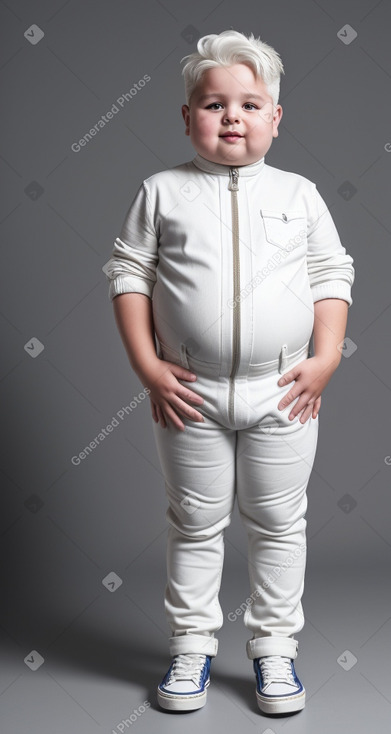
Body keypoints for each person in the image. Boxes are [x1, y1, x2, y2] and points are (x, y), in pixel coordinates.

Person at [105, 29, 355, 716]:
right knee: (193, 520)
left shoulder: (299, 194)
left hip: (284, 389)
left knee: (279, 524)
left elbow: (332, 273)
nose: (231, 117)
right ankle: (191, 644)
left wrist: (326, 357)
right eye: (213, 105)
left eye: (249, 104)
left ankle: (274, 648)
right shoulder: (161, 192)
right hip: (189, 389)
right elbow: (128, 273)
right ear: (187, 118)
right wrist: (148, 367)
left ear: (276, 118)